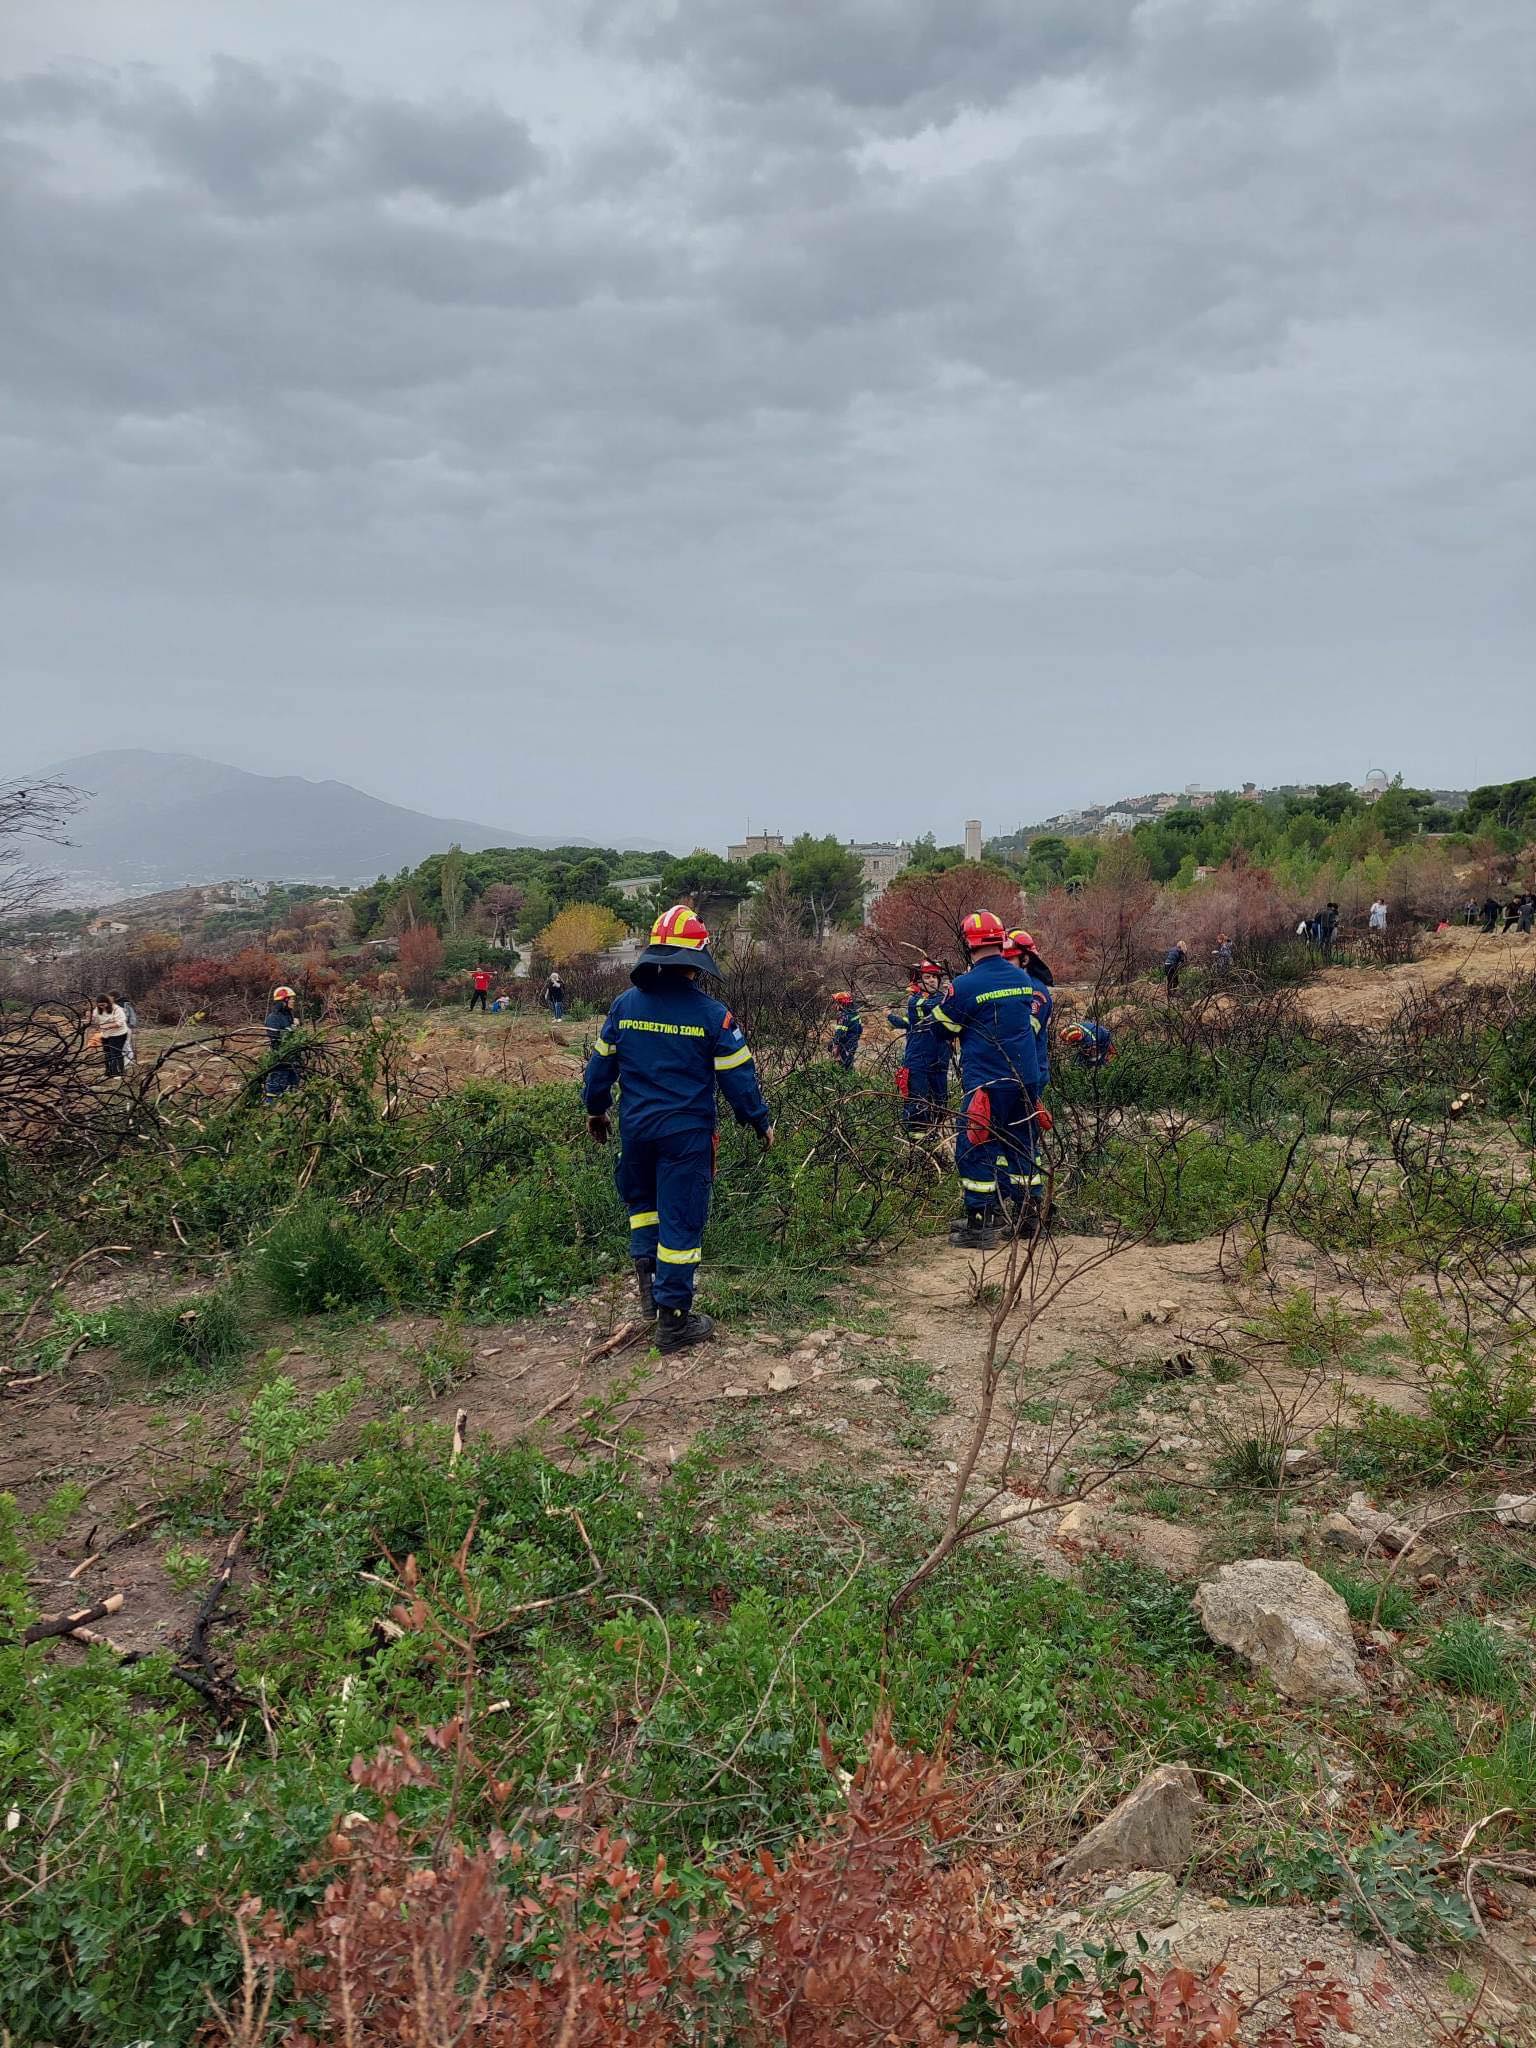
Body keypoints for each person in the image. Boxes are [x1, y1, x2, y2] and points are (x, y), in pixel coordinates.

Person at [582, 906, 773, 1353]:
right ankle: (674, 1321)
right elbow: (739, 1080)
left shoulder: (624, 1007)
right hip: (685, 1137)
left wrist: (596, 1111)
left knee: (644, 1207)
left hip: (636, 1131)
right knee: (681, 1223)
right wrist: (759, 1121)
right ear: (696, 960)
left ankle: (650, 1296)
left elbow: (598, 1070)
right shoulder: (713, 1015)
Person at [931, 910, 1045, 1249]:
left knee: (976, 1147)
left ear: (969, 944)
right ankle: (1029, 1216)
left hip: (987, 1083)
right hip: (1026, 1080)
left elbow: (941, 1029)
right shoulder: (1023, 980)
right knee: (1023, 1145)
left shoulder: (965, 986)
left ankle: (980, 1224)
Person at [886, 961, 949, 1128]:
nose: (932, 980)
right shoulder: (916, 1001)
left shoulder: (941, 998)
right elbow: (933, 1007)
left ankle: (934, 1137)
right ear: (918, 982)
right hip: (918, 1062)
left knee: (940, 1104)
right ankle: (916, 1146)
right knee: (917, 1107)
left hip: (939, 1062)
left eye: (935, 977)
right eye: (927, 977)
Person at [263, 984, 301, 1100]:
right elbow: (276, 1037)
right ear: (284, 1001)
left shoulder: (288, 1016)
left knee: (293, 1085)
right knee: (275, 1087)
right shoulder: (273, 1018)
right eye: (291, 999)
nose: (293, 1001)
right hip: (281, 1058)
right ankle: (270, 1109)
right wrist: (294, 1027)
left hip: (292, 1058)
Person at [91, 994, 130, 1078]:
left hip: (118, 1034)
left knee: (115, 1053)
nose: (102, 1007)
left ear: (107, 1003)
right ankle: (108, 1072)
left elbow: (120, 1023)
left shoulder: (117, 1009)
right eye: (100, 1005)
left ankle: (118, 1072)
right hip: (105, 1034)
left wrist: (107, 1026)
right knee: (107, 1053)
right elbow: (94, 1019)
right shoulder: (97, 1010)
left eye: (103, 1005)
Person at [829, 992, 863, 1070]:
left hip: (845, 1044)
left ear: (841, 1003)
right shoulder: (855, 1013)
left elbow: (840, 1033)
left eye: (837, 1003)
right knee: (849, 1062)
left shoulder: (844, 1017)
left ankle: (846, 1079)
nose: (835, 1005)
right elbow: (860, 1029)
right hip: (853, 1042)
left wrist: (835, 1044)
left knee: (844, 1065)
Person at [110, 991, 138, 1065]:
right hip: (123, 1028)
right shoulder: (126, 1004)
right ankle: (129, 1060)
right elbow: (133, 1017)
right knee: (126, 1045)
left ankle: (127, 1062)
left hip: (122, 1028)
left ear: (113, 997)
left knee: (121, 1046)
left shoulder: (120, 1006)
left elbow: (132, 1018)